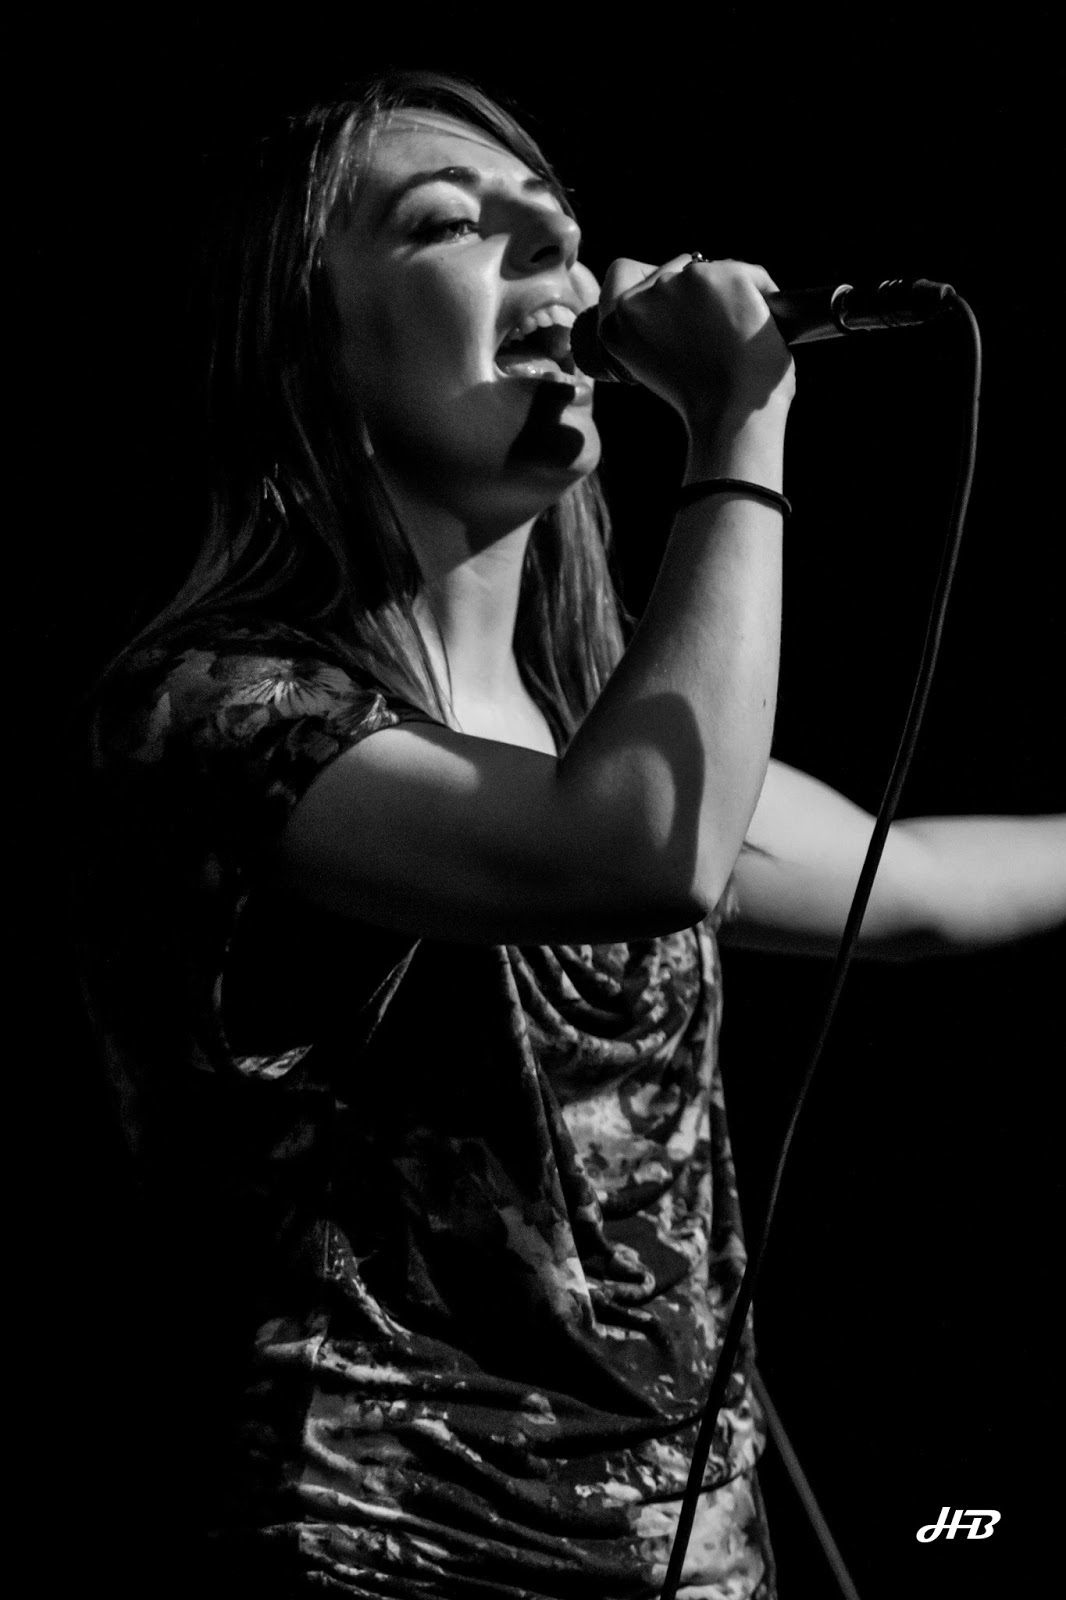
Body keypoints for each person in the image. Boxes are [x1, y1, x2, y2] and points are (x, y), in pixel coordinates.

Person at [77, 69, 1065, 1599]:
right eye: (448, 223)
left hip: (680, 1565)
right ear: (297, 345)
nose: (556, 250)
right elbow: (644, 850)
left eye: (556, 221)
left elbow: (914, 882)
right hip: (384, 1554)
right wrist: (739, 425)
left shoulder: (591, 739)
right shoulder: (216, 712)